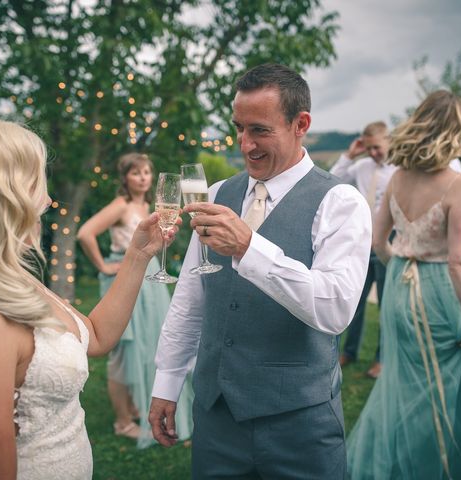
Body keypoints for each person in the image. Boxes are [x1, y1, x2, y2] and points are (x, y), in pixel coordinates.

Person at [0, 112, 179, 479]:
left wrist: (138, 255)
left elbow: (96, 337)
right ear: (0, 196)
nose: (50, 200)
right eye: (37, 184)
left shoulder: (17, 281)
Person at [148, 63, 372, 479]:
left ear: (300, 123)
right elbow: (192, 299)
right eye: (239, 128)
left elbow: (336, 309)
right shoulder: (218, 194)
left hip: (299, 425)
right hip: (215, 420)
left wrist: (251, 248)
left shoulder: (341, 202)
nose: (245, 144)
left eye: (260, 130)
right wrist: (167, 381)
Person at [347, 90, 461, 479]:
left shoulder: (397, 177)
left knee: (408, 383)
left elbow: (378, 242)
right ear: (456, 132)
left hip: (399, 288)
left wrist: (400, 268)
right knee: (454, 383)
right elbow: (459, 263)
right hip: (436, 292)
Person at [77, 153, 193, 447]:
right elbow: (85, 233)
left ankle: (137, 406)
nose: (143, 177)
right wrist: (104, 266)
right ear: (125, 178)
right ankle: (122, 421)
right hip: (125, 275)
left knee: (147, 343)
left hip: (149, 277)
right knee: (123, 348)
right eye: (136, 173)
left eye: (146, 172)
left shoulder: (148, 206)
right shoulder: (121, 206)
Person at [329, 121, 395, 378]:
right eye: (369, 148)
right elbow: (333, 178)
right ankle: (349, 351)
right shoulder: (361, 166)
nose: (373, 153)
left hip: (389, 241)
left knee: (385, 304)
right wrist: (350, 154)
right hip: (361, 243)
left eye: (377, 147)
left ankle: (382, 359)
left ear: (388, 141)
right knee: (353, 301)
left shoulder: (401, 169)